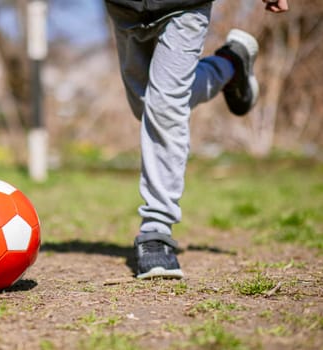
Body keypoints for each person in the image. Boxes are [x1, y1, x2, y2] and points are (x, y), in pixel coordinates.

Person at [104, 0, 289, 279]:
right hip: (124, 8)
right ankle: (230, 64)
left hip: (184, 4)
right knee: (146, 105)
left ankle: (157, 230)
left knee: (164, 106)